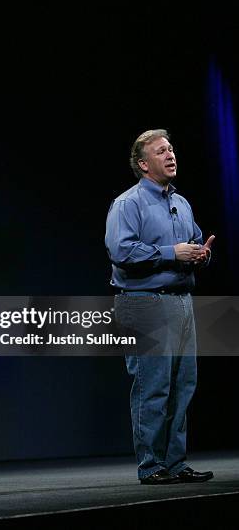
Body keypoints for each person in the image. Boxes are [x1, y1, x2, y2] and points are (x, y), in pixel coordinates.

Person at [105, 129, 215, 485]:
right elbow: (121, 253)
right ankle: (151, 465)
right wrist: (173, 253)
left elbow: (194, 243)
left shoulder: (181, 203)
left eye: (171, 149)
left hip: (181, 303)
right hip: (143, 305)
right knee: (153, 388)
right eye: (161, 151)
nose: (170, 155)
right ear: (143, 164)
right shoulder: (128, 204)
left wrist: (201, 255)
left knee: (184, 385)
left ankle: (176, 462)